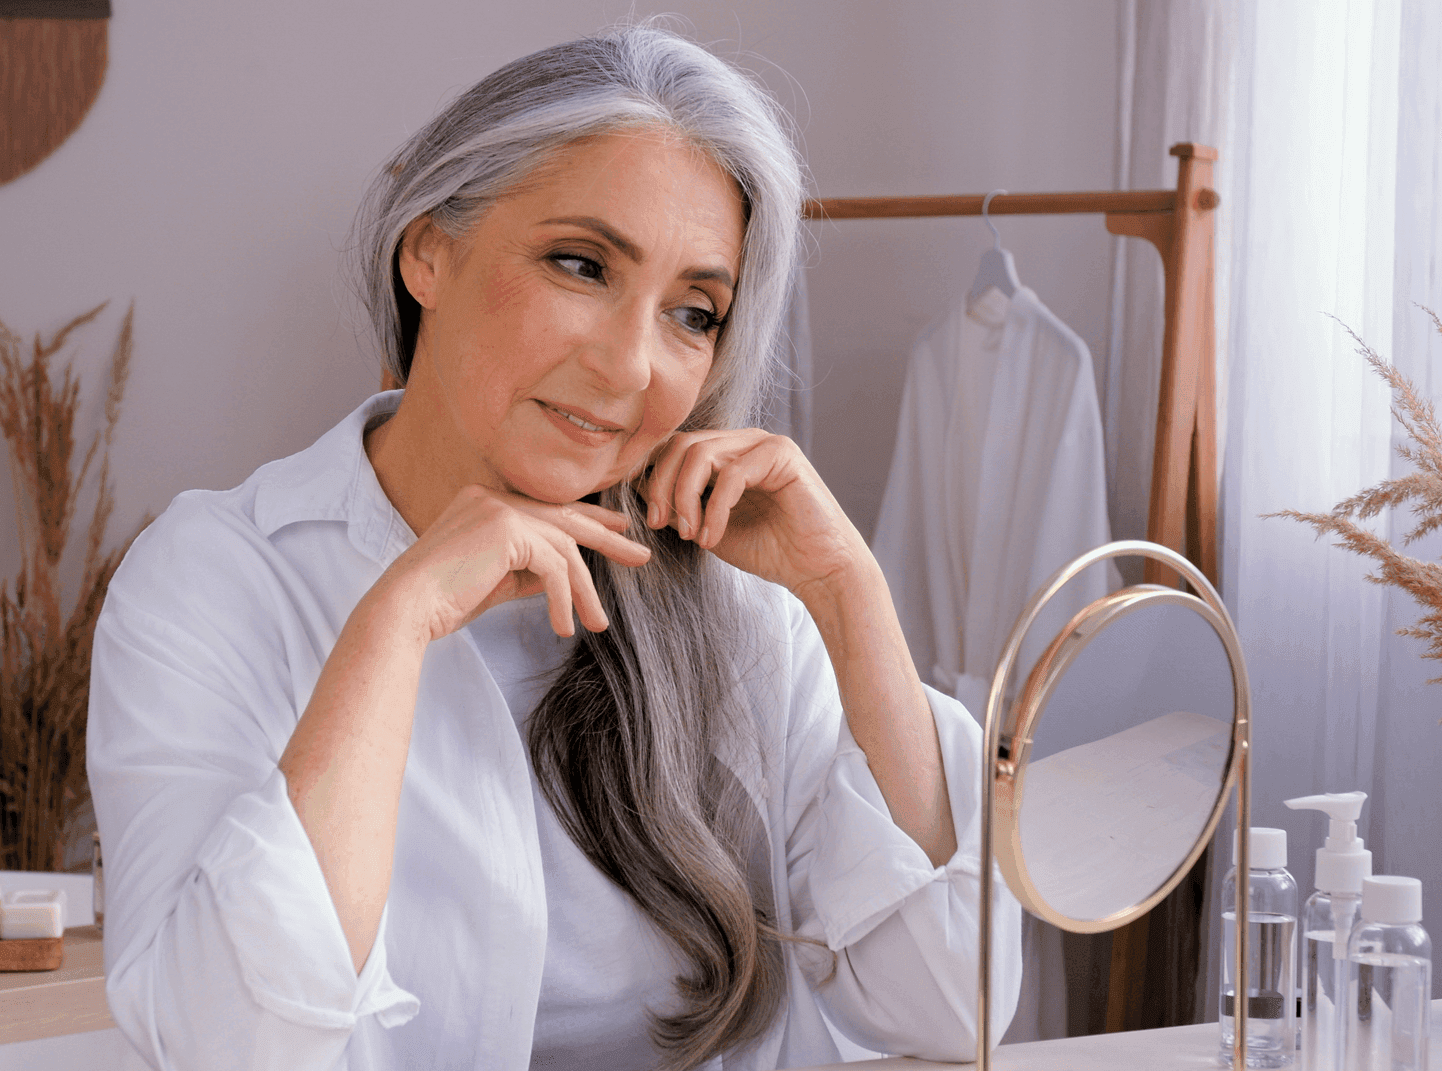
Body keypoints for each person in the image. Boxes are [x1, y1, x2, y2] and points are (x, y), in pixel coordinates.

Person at [86, 25, 1021, 1071]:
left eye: (694, 313)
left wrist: (850, 601)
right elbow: (227, 1046)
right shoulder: (216, 581)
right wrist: (397, 624)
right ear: (429, 249)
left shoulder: (746, 609)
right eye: (581, 265)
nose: (631, 366)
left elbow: (956, 1010)